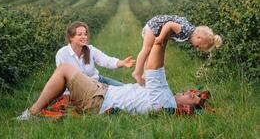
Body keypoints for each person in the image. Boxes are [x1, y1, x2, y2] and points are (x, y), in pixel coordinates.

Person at [16, 39, 211, 120]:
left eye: (192, 97)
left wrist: (166, 31)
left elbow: (156, 56)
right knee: (77, 74)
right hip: (102, 89)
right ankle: (53, 97)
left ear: (188, 108)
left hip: (99, 98)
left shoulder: (165, 99)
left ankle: (31, 114)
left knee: (65, 69)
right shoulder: (163, 96)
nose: (190, 92)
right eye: (192, 92)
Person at [132, 15, 222, 84]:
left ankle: (145, 74)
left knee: (150, 52)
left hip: (158, 27)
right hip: (155, 25)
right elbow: (169, 24)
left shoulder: (189, 31)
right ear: (199, 37)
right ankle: (136, 72)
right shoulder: (186, 30)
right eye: (198, 46)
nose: (196, 47)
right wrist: (161, 37)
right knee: (146, 49)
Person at [56, 21, 135, 88]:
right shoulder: (62, 54)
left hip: (98, 81)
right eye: (80, 34)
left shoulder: (90, 49)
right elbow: (63, 79)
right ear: (71, 37)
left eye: (85, 34)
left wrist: (122, 63)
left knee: (126, 89)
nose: (84, 37)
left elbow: (106, 60)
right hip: (81, 90)